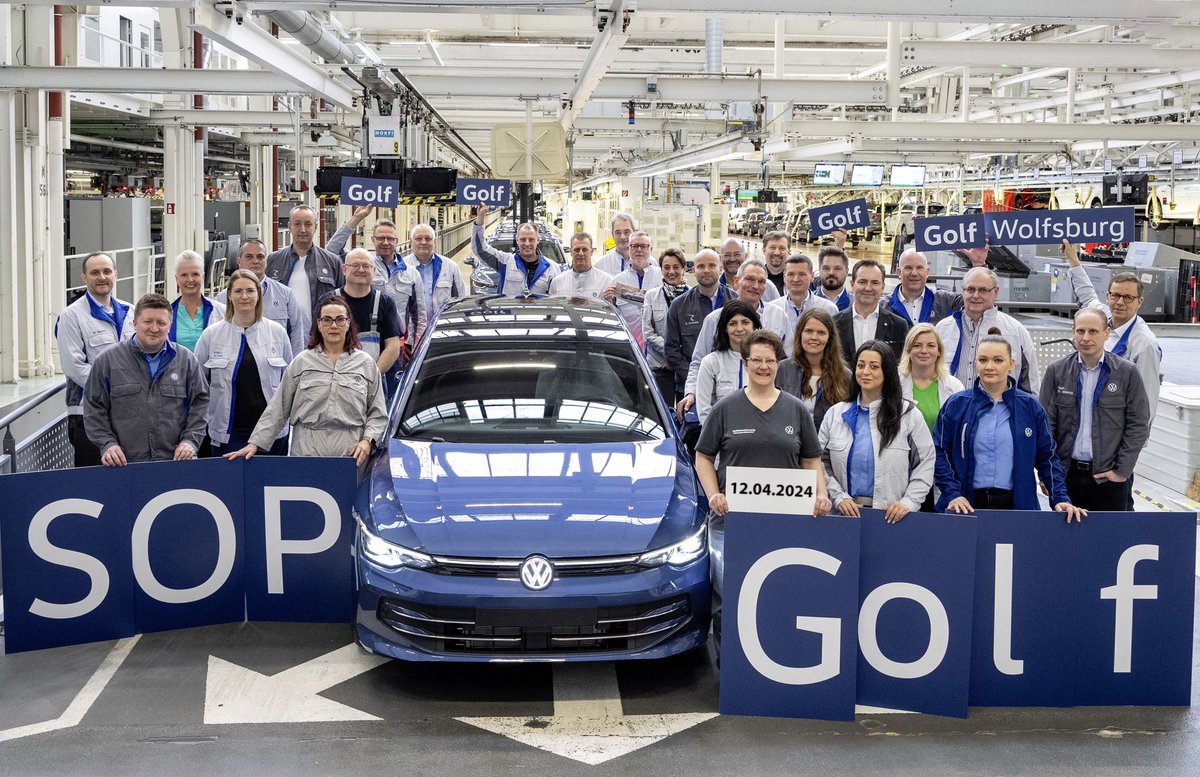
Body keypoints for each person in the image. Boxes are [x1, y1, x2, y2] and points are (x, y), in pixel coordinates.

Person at [695, 329, 831, 648]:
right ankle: (731, 668)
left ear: (777, 364)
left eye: (770, 361)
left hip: (784, 524)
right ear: (745, 363)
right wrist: (714, 493)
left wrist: (821, 495)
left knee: (779, 594)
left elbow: (812, 460)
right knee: (731, 597)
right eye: (756, 360)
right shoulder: (725, 408)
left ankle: (776, 659)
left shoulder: (796, 409)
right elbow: (703, 457)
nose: (763, 367)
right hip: (731, 525)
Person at [224, 293, 388, 477]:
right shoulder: (302, 362)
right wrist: (255, 443)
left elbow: (378, 412)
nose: (333, 325)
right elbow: (279, 406)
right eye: (327, 320)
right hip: (307, 447)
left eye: (340, 319)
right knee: (308, 502)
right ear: (318, 324)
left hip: (350, 450)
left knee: (347, 504)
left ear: (348, 323)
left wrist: (366, 441)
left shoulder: (366, 364)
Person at [933, 331, 1085, 522]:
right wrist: (953, 493)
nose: (990, 366)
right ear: (976, 363)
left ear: (1011, 364)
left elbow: (1047, 457)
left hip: (1017, 506)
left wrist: (1060, 498)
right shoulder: (956, 405)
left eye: (998, 360)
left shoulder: (1030, 407)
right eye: (983, 360)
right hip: (965, 505)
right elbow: (938, 452)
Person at [1038, 307, 1151, 511]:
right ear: (1073, 333)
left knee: (1110, 540)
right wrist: (1049, 475)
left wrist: (1121, 471)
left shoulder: (1127, 373)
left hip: (1108, 479)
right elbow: (1046, 427)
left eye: (1093, 331)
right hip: (1066, 475)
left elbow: (1139, 425)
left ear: (1106, 333)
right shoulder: (1057, 371)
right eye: (1080, 331)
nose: (1086, 338)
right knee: (1068, 540)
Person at [83, 293, 209, 466]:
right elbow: (94, 408)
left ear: (170, 325)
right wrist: (108, 444)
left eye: (161, 323)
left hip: (175, 462)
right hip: (123, 464)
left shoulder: (186, 360)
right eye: (148, 322)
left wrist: (190, 441)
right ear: (134, 323)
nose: (154, 328)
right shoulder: (107, 361)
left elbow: (200, 404)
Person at [819, 340, 935, 522]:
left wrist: (908, 502)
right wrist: (838, 497)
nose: (865, 372)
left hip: (891, 519)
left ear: (887, 372)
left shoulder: (908, 415)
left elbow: (926, 463)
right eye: (861, 365)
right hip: (843, 517)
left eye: (874, 367)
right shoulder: (835, 414)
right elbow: (819, 462)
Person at [194, 269, 294, 456]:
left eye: (250, 290)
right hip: (228, 433)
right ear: (229, 295)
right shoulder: (211, 335)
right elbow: (197, 384)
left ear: (258, 294)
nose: (244, 296)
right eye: (238, 291)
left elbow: (289, 383)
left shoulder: (277, 333)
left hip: (271, 432)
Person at [1060, 240, 1162, 415]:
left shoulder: (1144, 344)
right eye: (1115, 295)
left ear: (1140, 302)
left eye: (1128, 297)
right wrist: (1073, 259)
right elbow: (1087, 294)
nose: (1120, 302)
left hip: (1117, 426)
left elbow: (1146, 401)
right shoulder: (1103, 315)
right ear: (1107, 296)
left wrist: (1135, 441)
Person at [678, 258, 789, 416]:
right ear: (736, 281)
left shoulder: (779, 315)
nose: (755, 286)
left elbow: (788, 362)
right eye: (749, 279)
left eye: (761, 281)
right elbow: (698, 361)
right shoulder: (714, 319)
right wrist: (691, 392)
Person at [56, 251, 135, 466]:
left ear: (115, 275)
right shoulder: (71, 316)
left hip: (127, 412)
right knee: (93, 480)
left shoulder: (130, 311)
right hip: (87, 413)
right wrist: (117, 386)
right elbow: (73, 366)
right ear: (84, 277)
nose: (102, 277)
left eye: (107, 271)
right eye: (95, 272)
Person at [326, 207, 426, 346]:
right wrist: (356, 219)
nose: (385, 242)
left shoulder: (411, 274)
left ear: (396, 240)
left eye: (390, 238)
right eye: (380, 238)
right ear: (373, 239)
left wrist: (417, 347)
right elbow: (332, 250)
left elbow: (419, 316)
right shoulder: (362, 267)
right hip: (361, 340)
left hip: (398, 343)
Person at [935, 266, 1039, 392]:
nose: (975, 295)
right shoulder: (943, 329)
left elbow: (1031, 384)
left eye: (983, 290)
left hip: (999, 410)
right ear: (963, 291)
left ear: (996, 292)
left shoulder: (1016, 331)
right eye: (970, 289)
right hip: (952, 410)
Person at [218, 238, 307, 357]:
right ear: (239, 261)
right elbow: (218, 335)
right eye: (249, 257)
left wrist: (296, 368)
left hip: (275, 366)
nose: (255, 261)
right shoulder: (223, 298)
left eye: (260, 257)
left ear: (266, 261)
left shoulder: (285, 295)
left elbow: (297, 334)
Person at [339, 247, 405, 397]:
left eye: (366, 266)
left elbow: (393, 346)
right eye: (355, 265)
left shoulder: (385, 302)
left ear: (374, 270)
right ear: (344, 269)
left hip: (374, 383)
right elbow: (319, 344)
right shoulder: (329, 302)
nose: (361, 270)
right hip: (337, 382)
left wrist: (370, 377)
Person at [665, 249, 726, 404]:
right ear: (693, 270)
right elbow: (671, 351)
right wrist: (700, 377)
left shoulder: (735, 303)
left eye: (712, 265)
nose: (706, 270)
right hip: (689, 388)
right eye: (701, 266)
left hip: (728, 387)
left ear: (721, 268)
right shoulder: (678, 306)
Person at [776, 308, 852, 430]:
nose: (814, 337)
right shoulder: (781, 369)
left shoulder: (845, 376)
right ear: (800, 334)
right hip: (789, 443)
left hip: (826, 445)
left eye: (821, 333)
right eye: (808, 331)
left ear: (829, 338)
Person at [266, 204, 345, 321]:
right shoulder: (272, 260)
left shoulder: (332, 262)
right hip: (282, 334)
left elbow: (342, 301)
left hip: (320, 334)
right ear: (289, 226)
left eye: (308, 224)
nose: (303, 230)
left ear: (315, 227)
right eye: (297, 224)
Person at [834, 259, 910, 365]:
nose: (868, 288)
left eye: (875, 283)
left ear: (882, 286)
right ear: (852, 284)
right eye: (862, 282)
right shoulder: (834, 323)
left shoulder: (898, 325)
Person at [695, 301, 761, 424]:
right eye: (733, 324)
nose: (739, 329)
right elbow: (704, 411)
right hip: (723, 436)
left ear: (754, 326)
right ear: (725, 328)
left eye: (745, 322)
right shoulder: (711, 362)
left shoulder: (766, 362)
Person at [471, 204, 559, 295]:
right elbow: (480, 250)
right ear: (517, 240)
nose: (527, 244)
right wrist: (480, 218)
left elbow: (557, 299)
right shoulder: (505, 262)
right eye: (523, 239)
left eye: (531, 239)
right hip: (509, 309)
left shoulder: (552, 268)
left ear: (538, 240)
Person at [643, 247, 689, 404]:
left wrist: (676, 359)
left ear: (683, 269)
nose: (671, 272)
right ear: (661, 270)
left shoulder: (693, 297)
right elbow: (648, 333)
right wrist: (671, 354)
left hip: (686, 369)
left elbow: (696, 335)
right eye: (667, 267)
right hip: (660, 367)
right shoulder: (651, 296)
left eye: (676, 267)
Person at [769, 254, 838, 353]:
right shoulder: (772, 309)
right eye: (791, 274)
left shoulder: (828, 309)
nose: (796, 279)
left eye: (802, 274)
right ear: (784, 277)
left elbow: (833, 346)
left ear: (812, 276)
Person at [606, 231, 662, 348]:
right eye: (635, 246)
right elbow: (612, 317)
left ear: (650, 249)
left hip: (659, 349)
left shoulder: (662, 277)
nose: (639, 250)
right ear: (629, 249)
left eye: (644, 246)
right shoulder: (617, 282)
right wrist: (608, 301)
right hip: (629, 348)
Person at [888, 248, 963, 325]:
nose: (914, 273)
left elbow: (972, 301)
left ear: (927, 272)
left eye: (919, 268)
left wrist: (975, 265)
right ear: (899, 272)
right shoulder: (883, 306)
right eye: (908, 268)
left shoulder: (945, 300)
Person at [168, 250, 224, 352]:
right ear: (176, 279)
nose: (190, 279)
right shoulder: (167, 312)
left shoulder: (222, 311)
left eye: (195, 274)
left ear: (203, 277)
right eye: (184, 275)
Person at [548, 232, 613, 301]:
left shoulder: (606, 282)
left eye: (585, 249)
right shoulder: (557, 282)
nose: (581, 253)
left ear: (592, 251)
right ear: (571, 252)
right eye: (577, 250)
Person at [717, 237, 778, 301]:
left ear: (745, 256)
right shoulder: (714, 288)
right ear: (720, 258)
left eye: (737, 254)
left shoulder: (768, 287)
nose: (732, 259)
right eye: (727, 255)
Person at [812, 245, 852, 310]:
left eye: (837, 268)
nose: (831, 272)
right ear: (819, 270)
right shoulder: (807, 303)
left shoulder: (855, 304)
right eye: (826, 268)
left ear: (847, 271)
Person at [761, 229, 791, 295]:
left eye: (782, 248)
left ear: (789, 251)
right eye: (772, 248)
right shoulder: (756, 278)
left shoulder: (795, 280)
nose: (777, 253)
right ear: (764, 250)